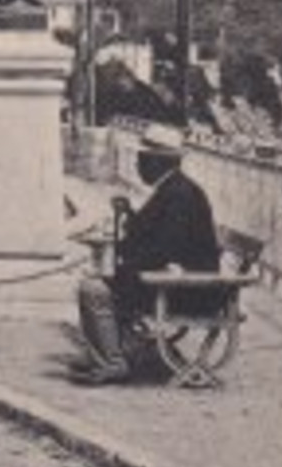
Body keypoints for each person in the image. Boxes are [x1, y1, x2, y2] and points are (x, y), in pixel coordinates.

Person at [71, 123, 220, 385]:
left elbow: (165, 248)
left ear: (158, 162)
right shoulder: (173, 188)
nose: (138, 167)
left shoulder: (179, 195)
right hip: (174, 280)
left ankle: (111, 361)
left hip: (187, 289)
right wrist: (128, 216)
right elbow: (153, 238)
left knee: (92, 290)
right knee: (100, 283)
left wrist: (123, 270)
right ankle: (107, 353)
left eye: (142, 160)